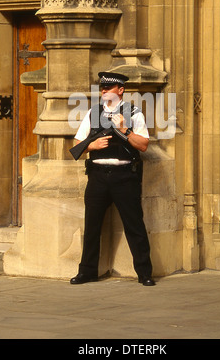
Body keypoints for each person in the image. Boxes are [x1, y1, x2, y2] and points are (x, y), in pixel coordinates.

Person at [70, 71, 155, 286]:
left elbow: (143, 145)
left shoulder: (133, 113)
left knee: (134, 226)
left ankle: (144, 273)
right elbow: (75, 145)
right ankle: (87, 271)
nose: (104, 91)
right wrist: (92, 145)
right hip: (98, 176)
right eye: (102, 88)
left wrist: (124, 131)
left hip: (125, 177)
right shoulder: (93, 113)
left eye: (108, 88)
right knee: (92, 227)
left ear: (121, 90)